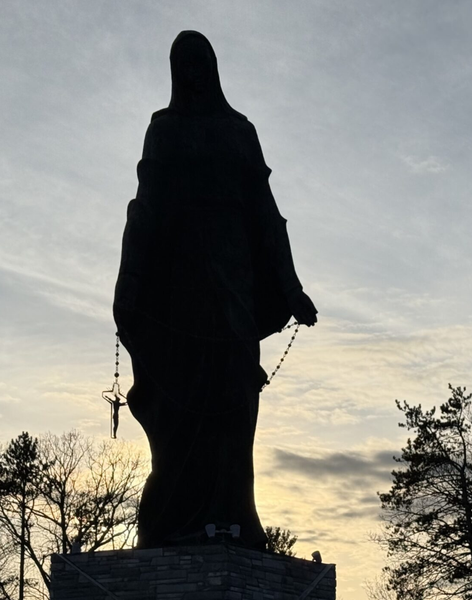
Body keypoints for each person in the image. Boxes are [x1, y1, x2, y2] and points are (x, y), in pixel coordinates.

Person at [113, 31, 317, 549]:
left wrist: (291, 287)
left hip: (232, 284)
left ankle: (231, 516)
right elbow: (146, 211)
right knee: (180, 410)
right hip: (178, 286)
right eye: (184, 64)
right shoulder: (163, 130)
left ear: (214, 67)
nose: (195, 73)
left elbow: (267, 215)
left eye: (201, 62)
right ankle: (173, 521)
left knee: (234, 401)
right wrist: (131, 282)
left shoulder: (238, 131)